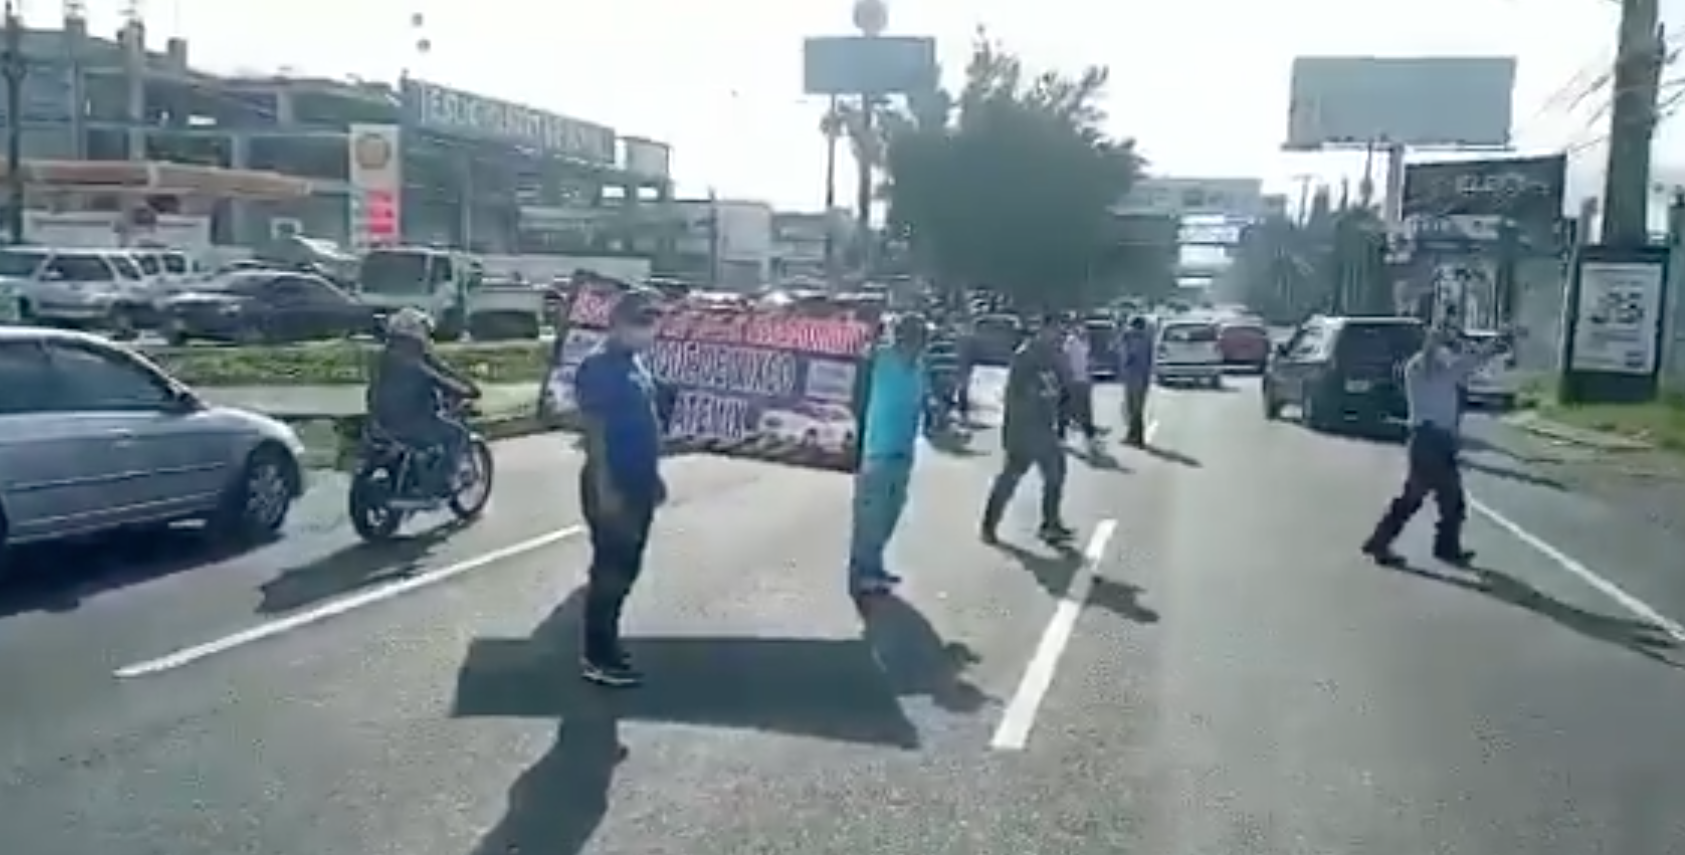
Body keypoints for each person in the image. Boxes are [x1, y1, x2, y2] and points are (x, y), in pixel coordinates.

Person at [573, 291, 667, 687]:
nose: (647, 330)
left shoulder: (633, 364)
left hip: (638, 480)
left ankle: (607, 644)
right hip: (611, 481)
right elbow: (595, 433)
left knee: (626, 568)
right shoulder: (599, 367)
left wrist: (655, 477)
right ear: (618, 322)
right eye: (640, 321)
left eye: (652, 322)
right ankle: (598, 655)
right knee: (610, 571)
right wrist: (604, 486)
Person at [1361, 325, 1507, 567]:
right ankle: (1440, 548)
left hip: (1427, 441)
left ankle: (1383, 542)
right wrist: (1494, 346)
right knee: (1447, 500)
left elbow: (1466, 364)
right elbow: (1469, 362)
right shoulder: (1434, 369)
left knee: (1417, 498)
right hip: (1432, 442)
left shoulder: (1421, 368)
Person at [849, 313, 928, 595]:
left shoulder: (919, 368)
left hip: (903, 451)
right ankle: (863, 572)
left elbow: (922, 402)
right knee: (870, 515)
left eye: (921, 337)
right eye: (914, 336)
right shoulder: (879, 360)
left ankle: (875, 566)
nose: (919, 343)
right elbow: (854, 367)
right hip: (876, 450)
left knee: (890, 514)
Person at [365, 307, 480, 493]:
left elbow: (441, 367)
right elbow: (435, 377)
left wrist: (468, 384)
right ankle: (444, 482)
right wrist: (463, 391)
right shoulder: (410, 356)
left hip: (380, 421)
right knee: (455, 434)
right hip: (411, 422)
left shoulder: (389, 354)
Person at [982, 316, 1074, 545]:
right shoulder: (1026, 356)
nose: (1058, 336)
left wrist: (1062, 417)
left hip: (1044, 428)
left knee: (1056, 473)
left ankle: (1050, 524)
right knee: (1010, 479)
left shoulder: (1055, 356)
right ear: (1042, 330)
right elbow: (1015, 395)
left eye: (1060, 331)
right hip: (1023, 429)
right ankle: (989, 525)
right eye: (1054, 331)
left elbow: (1063, 390)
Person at [1060, 318, 1100, 446]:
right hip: (1073, 380)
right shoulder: (1071, 341)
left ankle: (1089, 434)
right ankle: (1062, 434)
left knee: (1082, 409)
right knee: (1066, 409)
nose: (1083, 330)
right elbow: (1065, 359)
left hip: (1082, 380)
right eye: (1080, 327)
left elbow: (1085, 360)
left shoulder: (1083, 342)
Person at [1117, 315, 1155, 446]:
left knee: (1133, 409)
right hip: (1142, 378)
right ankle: (1133, 436)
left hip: (1133, 377)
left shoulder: (1131, 338)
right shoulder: (1146, 338)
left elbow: (1128, 357)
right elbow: (1150, 359)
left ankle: (1137, 438)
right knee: (1136, 409)